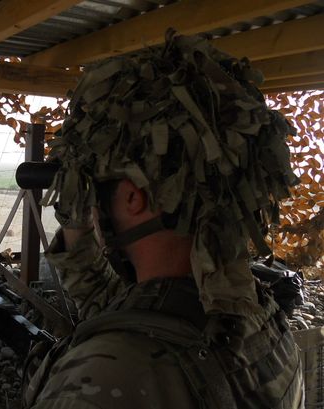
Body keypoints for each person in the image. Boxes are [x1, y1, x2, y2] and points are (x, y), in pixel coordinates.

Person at [23, 32, 304, 409]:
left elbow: (130, 341)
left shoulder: (106, 377)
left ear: (133, 198)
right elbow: (119, 308)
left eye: (98, 192)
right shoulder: (254, 313)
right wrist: (79, 217)